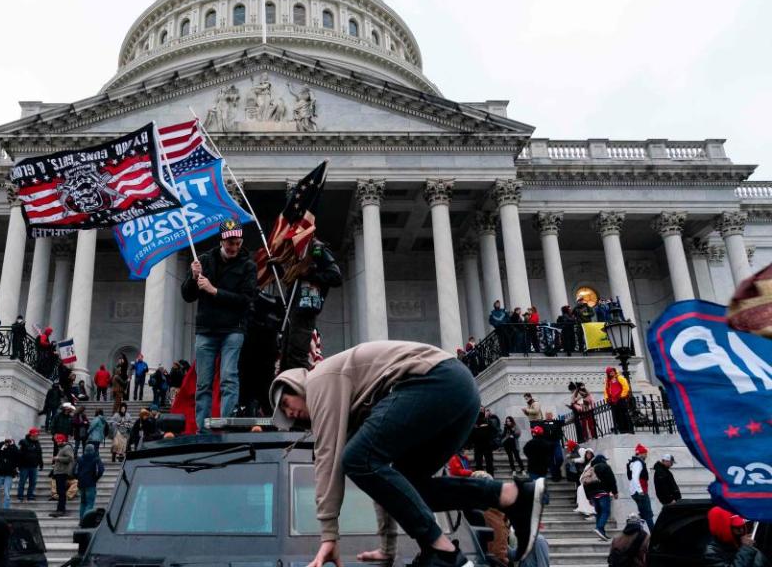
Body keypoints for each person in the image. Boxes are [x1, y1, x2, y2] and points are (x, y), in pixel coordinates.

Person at [269, 341, 547, 567]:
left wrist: (328, 535)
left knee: (355, 458)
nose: (289, 413)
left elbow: (328, 460)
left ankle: (443, 551)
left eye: (285, 403)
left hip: (437, 381)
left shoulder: (320, 380)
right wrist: (388, 548)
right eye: (285, 416)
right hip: (459, 393)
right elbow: (384, 485)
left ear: (295, 385)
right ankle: (510, 495)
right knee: (408, 485)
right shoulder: (351, 406)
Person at [182, 219, 257, 428]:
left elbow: (247, 300)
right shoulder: (204, 261)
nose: (233, 247)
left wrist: (214, 291)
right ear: (221, 241)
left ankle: (227, 425)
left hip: (233, 329)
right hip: (206, 329)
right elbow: (187, 295)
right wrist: (193, 277)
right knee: (203, 383)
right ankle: (202, 429)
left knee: (228, 378)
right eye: (229, 243)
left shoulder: (248, 265)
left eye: (237, 242)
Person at [278, 237, 343, 371]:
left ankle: (301, 389)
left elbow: (336, 277)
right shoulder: (295, 252)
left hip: (305, 311)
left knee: (297, 358)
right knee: (286, 356)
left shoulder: (316, 249)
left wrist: (310, 274)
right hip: (292, 310)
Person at [703, 506, 770, 567]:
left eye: (742, 526)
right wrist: (746, 549)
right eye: (737, 528)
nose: (741, 531)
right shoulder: (711, 553)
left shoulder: (741, 544)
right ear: (722, 528)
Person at [583, 453, 617, 541]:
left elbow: (585, 484)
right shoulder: (605, 467)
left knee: (599, 513)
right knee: (606, 512)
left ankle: (602, 533)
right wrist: (615, 492)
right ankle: (599, 528)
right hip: (603, 493)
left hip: (593, 495)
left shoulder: (590, 469)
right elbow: (612, 480)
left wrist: (589, 497)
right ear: (602, 460)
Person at [75, 443, 105, 523]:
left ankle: (81, 520)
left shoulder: (80, 458)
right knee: (90, 503)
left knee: (83, 502)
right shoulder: (96, 458)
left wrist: (78, 477)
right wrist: (96, 478)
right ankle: (85, 521)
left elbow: (73, 471)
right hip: (91, 484)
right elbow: (101, 470)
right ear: (93, 450)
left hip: (81, 484)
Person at [627, 444, 655, 529]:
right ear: (641, 453)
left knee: (643, 514)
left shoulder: (632, 463)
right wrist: (640, 490)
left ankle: (636, 531)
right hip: (640, 492)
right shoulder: (638, 463)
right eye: (645, 453)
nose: (646, 455)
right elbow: (635, 477)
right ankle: (654, 536)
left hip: (635, 492)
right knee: (648, 514)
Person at [50, 433, 74, 517]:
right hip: (59, 472)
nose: (56, 442)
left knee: (61, 492)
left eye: (58, 440)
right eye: (56, 440)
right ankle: (59, 509)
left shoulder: (67, 447)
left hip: (62, 473)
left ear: (62, 440)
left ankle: (61, 509)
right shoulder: (62, 448)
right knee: (60, 491)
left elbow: (70, 458)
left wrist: (58, 458)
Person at [16, 427, 43, 502]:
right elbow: (18, 454)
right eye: (36, 435)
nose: (37, 436)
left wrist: (41, 463)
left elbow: (39, 454)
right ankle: (20, 496)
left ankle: (30, 496)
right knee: (22, 481)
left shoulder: (37, 443)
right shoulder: (23, 442)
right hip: (24, 466)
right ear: (31, 435)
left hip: (34, 466)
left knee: (33, 482)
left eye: (37, 435)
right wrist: (18, 465)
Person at [0, 437, 18, 509]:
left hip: (9, 474)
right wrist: (3, 442)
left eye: (8, 442)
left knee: (7, 493)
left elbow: (18, 453)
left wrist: (13, 444)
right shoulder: (1, 454)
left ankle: (6, 509)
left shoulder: (13, 455)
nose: (8, 443)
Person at [605, 366, 633, 434]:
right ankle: (621, 430)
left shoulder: (619, 377)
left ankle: (628, 429)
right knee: (617, 416)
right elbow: (606, 390)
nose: (611, 373)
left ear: (614, 371)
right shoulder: (608, 381)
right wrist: (607, 399)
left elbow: (626, 387)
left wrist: (622, 396)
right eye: (609, 372)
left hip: (620, 399)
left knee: (624, 414)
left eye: (612, 371)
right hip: (613, 401)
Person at [471, 410, 496, 477]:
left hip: (479, 447)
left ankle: (480, 478)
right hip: (486, 446)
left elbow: (472, 438)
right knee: (488, 463)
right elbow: (493, 434)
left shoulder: (476, 426)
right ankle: (491, 477)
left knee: (480, 464)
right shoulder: (488, 425)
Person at [573, 448, 596, 517]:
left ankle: (589, 510)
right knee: (580, 489)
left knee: (583, 491)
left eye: (589, 453)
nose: (588, 455)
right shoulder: (586, 462)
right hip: (585, 482)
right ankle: (583, 508)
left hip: (591, 482)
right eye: (587, 453)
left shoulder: (593, 462)